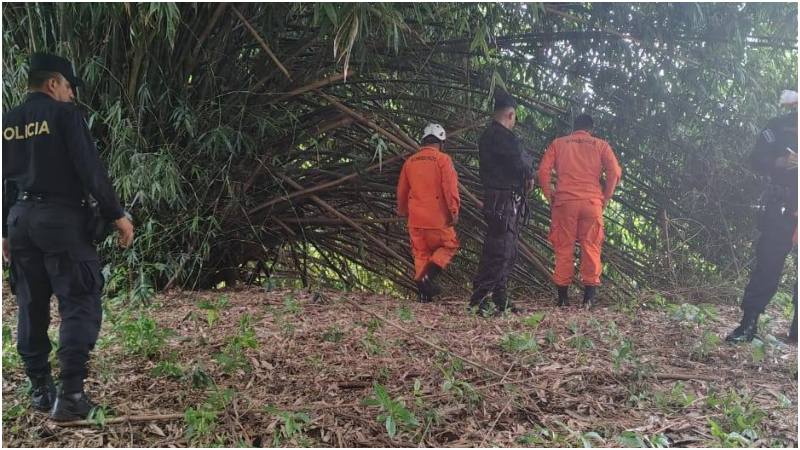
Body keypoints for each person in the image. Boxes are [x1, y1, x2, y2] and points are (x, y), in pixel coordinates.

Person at [2, 53, 134, 421]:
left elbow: (4, 180)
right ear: (53, 84)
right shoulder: (65, 116)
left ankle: (41, 389)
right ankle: (71, 395)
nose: (72, 95)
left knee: (31, 302)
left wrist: (3, 231)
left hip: (20, 219)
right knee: (79, 298)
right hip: (60, 219)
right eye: (69, 87)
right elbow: (90, 169)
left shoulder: (7, 121)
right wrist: (117, 214)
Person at [726, 90, 798, 344]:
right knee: (767, 265)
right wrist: (780, 162)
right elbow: (756, 159)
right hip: (781, 207)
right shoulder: (778, 126)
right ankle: (748, 324)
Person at [537, 114, 622, 309]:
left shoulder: (559, 143)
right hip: (592, 203)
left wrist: (550, 197)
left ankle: (563, 299)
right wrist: (606, 198)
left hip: (565, 203)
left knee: (563, 248)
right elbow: (615, 172)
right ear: (590, 129)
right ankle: (588, 300)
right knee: (591, 247)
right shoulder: (600, 145)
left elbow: (543, 171)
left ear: (574, 128)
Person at [468, 91, 535, 314]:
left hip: (501, 199)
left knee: (507, 247)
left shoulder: (489, 136)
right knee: (500, 248)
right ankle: (479, 299)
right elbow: (522, 162)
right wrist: (529, 174)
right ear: (510, 114)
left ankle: (499, 296)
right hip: (503, 200)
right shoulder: (503, 137)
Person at [396, 124, 460, 302]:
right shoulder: (443, 160)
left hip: (416, 219)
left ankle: (424, 295)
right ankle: (426, 278)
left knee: (421, 253)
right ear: (441, 142)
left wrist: (402, 211)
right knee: (449, 245)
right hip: (438, 218)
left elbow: (402, 191)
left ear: (423, 141)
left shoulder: (410, 162)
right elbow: (450, 188)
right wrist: (453, 211)